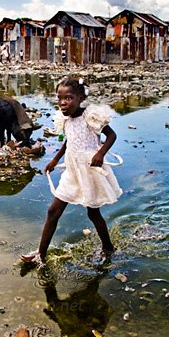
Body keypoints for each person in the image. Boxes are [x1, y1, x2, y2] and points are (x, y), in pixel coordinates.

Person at [21, 77, 122, 265]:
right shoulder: (65, 120)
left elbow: (111, 136)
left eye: (68, 98)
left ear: (80, 98)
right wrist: (55, 159)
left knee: (93, 214)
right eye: (59, 98)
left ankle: (108, 248)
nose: (62, 103)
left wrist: (100, 153)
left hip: (90, 169)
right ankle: (40, 256)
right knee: (53, 212)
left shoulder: (90, 117)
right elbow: (68, 141)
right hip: (72, 170)